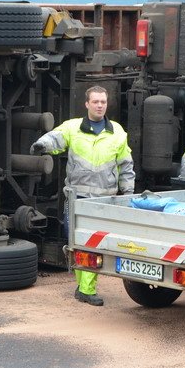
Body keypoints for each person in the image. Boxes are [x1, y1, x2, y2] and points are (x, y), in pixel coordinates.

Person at [31, 85, 135, 307]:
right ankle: (83, 287)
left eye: (103, 102)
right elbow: (55, 138)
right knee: (77, 242)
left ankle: (86, 288)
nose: (100, 105)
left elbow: (126, 165)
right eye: (95, 101)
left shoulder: (117, 131)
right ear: (87, 104)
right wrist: (42, 145)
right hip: (77, 199)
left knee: (92, 245)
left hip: (103, 200)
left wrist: (127, 193)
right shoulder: (73, 128)